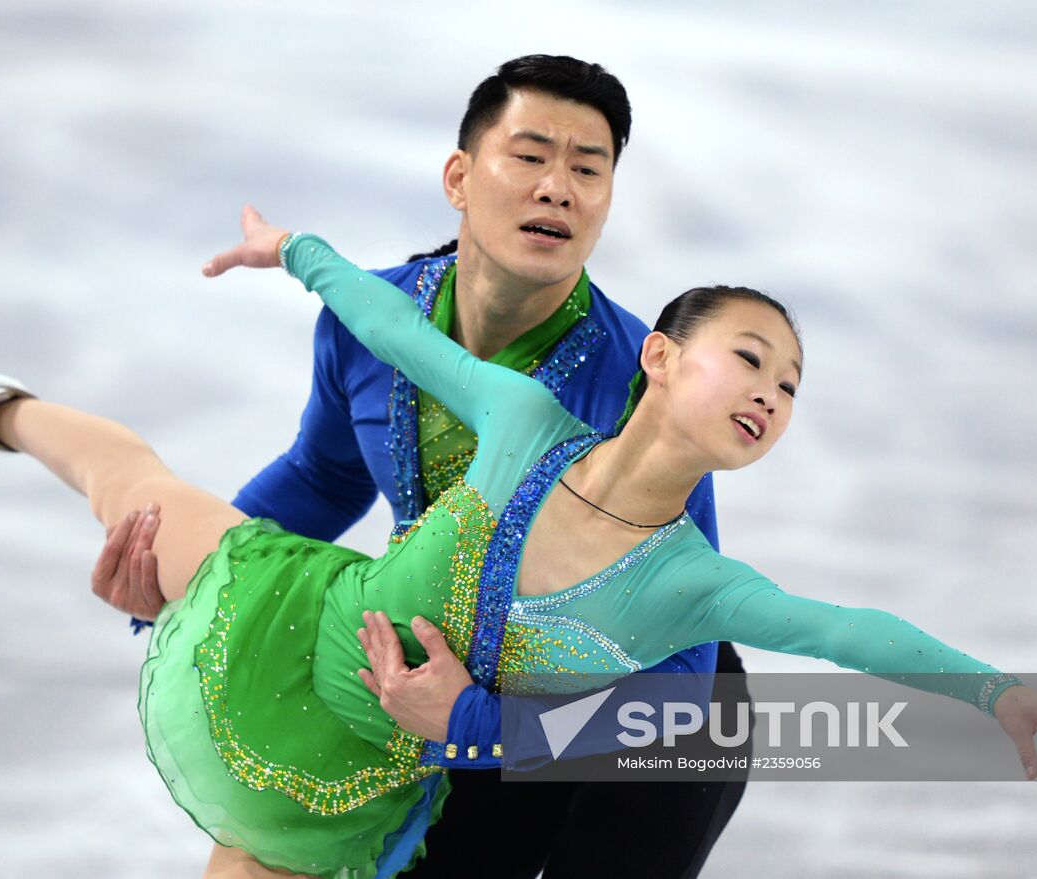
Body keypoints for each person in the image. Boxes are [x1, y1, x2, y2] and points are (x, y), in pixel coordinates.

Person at [0, 211, 1037, 879]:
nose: (772, 394)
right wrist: (301, 252)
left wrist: (993, 691)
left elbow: (854, 638)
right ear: (662, 356)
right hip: (306, 612)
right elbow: (402, 338)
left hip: (394, 745)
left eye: (792, 388)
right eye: (753, 358)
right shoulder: (524, 420)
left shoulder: (695, 584)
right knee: (127, 477)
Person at [93, 54, 751, 878]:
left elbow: (680, 675)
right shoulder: (369, 322)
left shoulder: (642, 391)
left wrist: (480, 719)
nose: (558, 188)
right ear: (460, 177)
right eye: (530, 155)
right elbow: (325, 476)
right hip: (451, 677)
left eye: (589, 169)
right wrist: (188, 579)